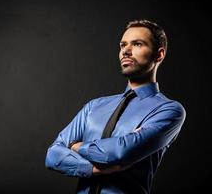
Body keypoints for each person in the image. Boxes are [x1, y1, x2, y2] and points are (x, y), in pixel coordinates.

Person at [45, 19, 186, 194]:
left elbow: (120, 153)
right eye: (122, 45)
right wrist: (94, 169)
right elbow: (52, 156)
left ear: (159, 55)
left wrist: (76, 146)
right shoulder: (94, 106)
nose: (126, 51)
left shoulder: (168, 110)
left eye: (137, 44)